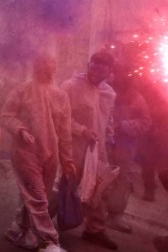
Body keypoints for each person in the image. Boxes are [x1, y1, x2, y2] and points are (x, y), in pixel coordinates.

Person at [1, 54, 75, 252]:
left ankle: (20, 229)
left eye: (51, 65)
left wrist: (67, 160)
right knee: (38, 196)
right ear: (35, 67)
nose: (48, 69)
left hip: (50, 152)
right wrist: (20, 130)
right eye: (43, 65)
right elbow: (7, 115)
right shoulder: (22, 90)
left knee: (35, 193)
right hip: (25, 151)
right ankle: (48, 241)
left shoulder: (61, 95)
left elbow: (65, 131)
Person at [61, 51, 118, 250]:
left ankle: (95, 230)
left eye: (101, 68)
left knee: (100, 189)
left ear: (109, 72)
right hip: (74, 148)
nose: (95, 71)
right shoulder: (71, 87)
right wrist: (81, 130)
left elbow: (108, 118)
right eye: (93, 65)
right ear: (88, 64)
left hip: (98, 150)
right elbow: (60, 118)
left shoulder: (109, 92)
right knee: (64, 187)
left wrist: (110, 137)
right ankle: (37, 226)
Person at [106, 62, 150, 233]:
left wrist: (123, 125)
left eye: (121, 73)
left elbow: (146, 122)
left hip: (125, 148)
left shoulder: (136, 97)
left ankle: (115, 216)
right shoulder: (102, 90)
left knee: (122, 181)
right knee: (99, 180)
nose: (117, 77)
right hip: (102, 144)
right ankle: (95, 215)